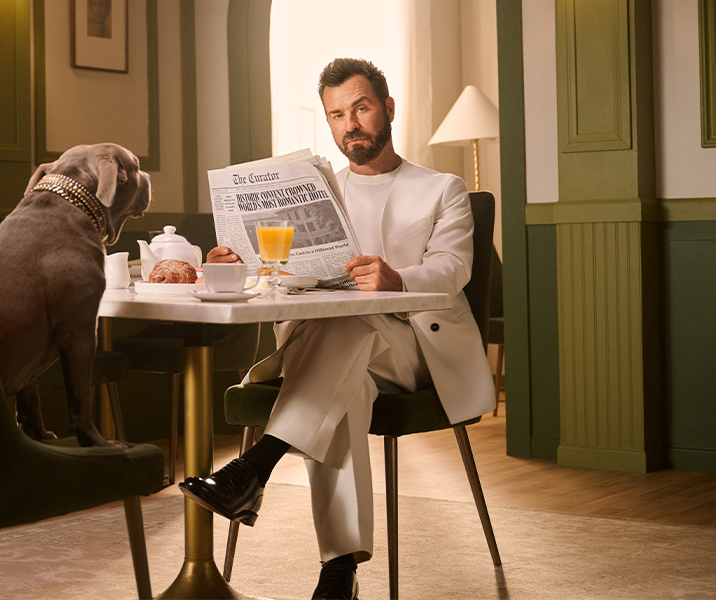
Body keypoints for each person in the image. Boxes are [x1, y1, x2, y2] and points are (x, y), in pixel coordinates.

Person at [179, 58, 495, 600]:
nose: (350, 123)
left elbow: (453, 271)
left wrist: (396, 278)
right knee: (346, 374)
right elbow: (279, 283)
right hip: (343, 352)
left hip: (417, 349)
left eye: (361, 107)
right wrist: (236, 263)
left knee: (350, 326)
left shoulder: (443, 188)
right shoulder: (318, 192)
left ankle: (256, 466)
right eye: (336, 115)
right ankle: (337, 573)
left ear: (387, 109)